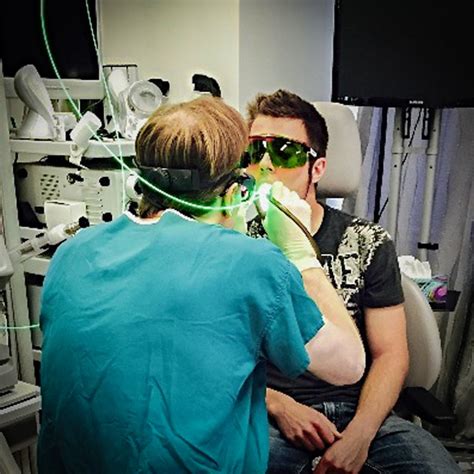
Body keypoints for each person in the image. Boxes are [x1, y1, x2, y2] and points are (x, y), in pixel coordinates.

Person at [37, 96, 365, 474]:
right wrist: (301, 255)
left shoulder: (72, 252)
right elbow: (349, 366)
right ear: (236, 191)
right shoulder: (252, 265)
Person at [245, 89, 461, 473]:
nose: (265, 164)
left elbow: (391, 354)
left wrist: (360, 435)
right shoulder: (236, 241)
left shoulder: (366, 241)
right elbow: (221, 357)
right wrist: (278, 405)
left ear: (317, 168)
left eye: (284, 152)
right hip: (271, 414)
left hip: (359, 410)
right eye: (254, 150)